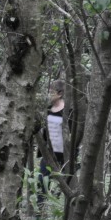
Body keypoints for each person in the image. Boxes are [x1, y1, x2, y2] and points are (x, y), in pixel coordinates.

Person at [38, 79, 68, 207]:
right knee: (42, 180)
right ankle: (40, 210)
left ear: (60, 93)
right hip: (48, 152)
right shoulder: (47, 109)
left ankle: (61, 208)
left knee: (64, 182)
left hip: (64, 153)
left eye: (51, 92)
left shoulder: (68, 110)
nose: (49, 94)